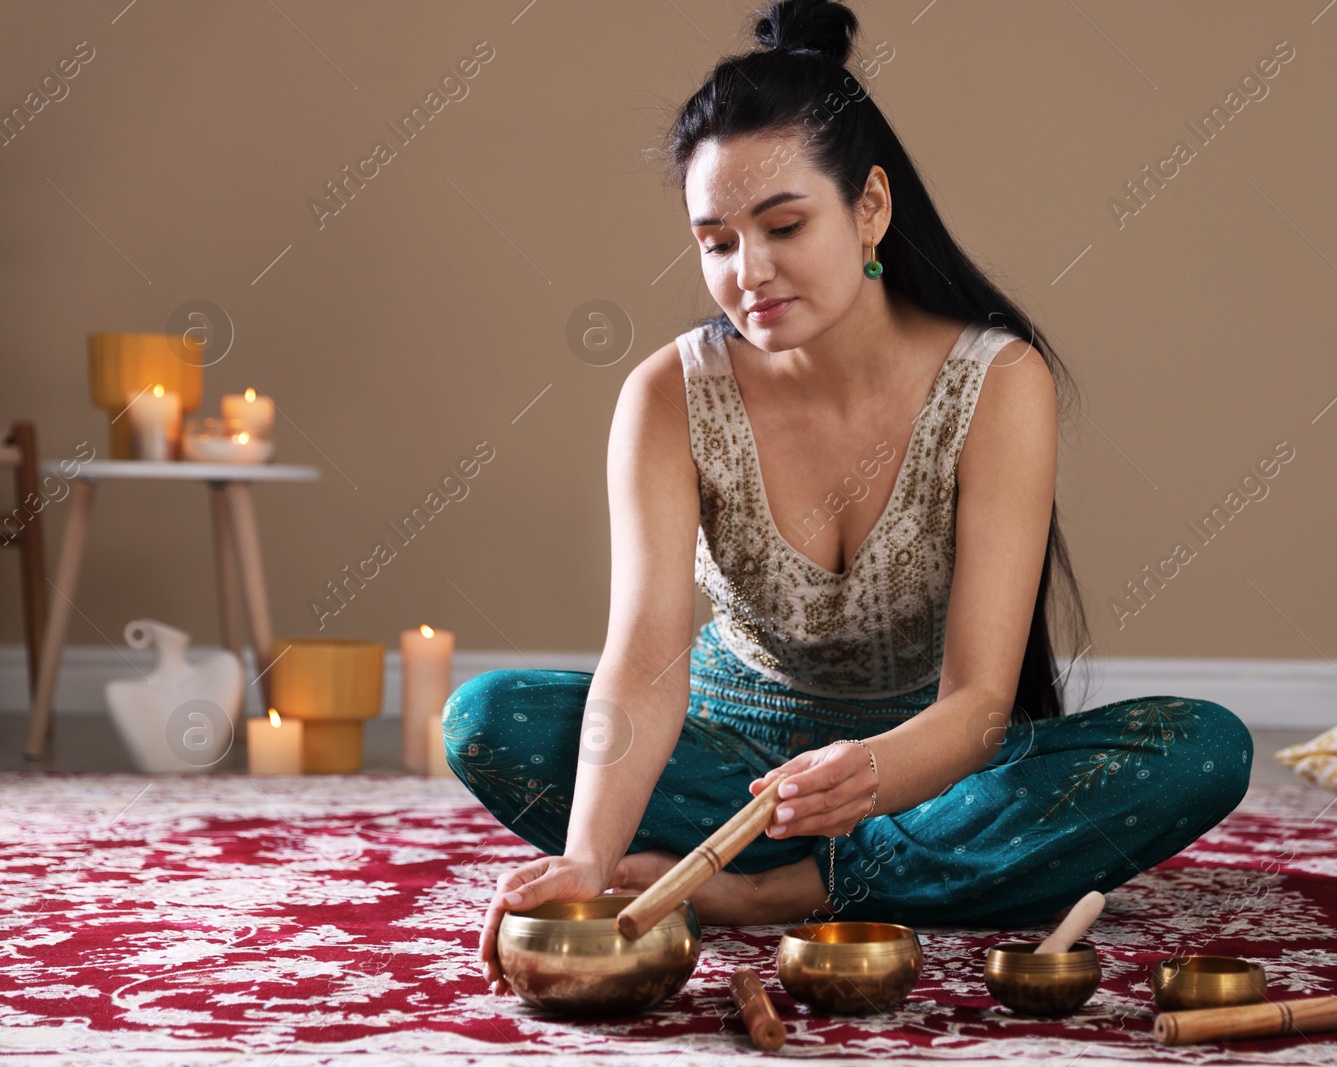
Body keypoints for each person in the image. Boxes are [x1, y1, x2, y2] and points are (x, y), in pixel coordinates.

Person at [444, 0, 1252, 998]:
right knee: (487, 718)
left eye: (784, 226)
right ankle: (889, 872)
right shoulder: (666, 392)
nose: (750, 273)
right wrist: (588, 859)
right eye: (717, 241)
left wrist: (867, 778)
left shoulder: (998, 382)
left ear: (869, 208)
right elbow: (643, 663)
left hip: (927, 769)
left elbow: (979, 706)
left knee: (1200, 747)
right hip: (723, 762)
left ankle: (767, 889)